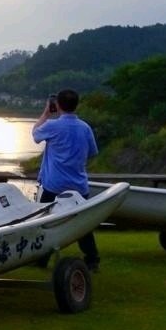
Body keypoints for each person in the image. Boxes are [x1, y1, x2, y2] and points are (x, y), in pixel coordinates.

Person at [31, 87, 101, 270]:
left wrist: (46, 113)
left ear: (58, 105)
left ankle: (41, 258)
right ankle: (92, 259)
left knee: (44, 223)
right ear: (76, 105)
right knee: (82, 224)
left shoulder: (52, 126)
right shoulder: (85, 128)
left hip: (54, 185)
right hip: (79, 185)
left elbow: (35, 134)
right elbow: (93, 152)